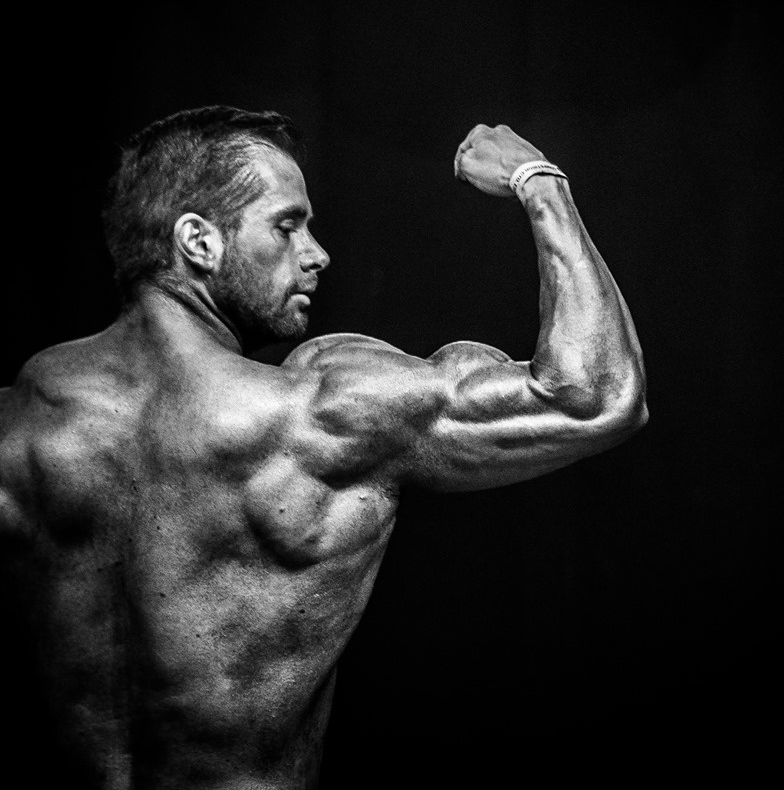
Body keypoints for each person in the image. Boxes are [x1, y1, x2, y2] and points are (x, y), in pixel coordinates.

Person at [0, 106, 648, 787]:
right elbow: (597, 396)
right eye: (287, 225)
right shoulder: (317, 415)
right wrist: (537, 180)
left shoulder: (17, 422)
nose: (317, 254)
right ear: (198, 241)